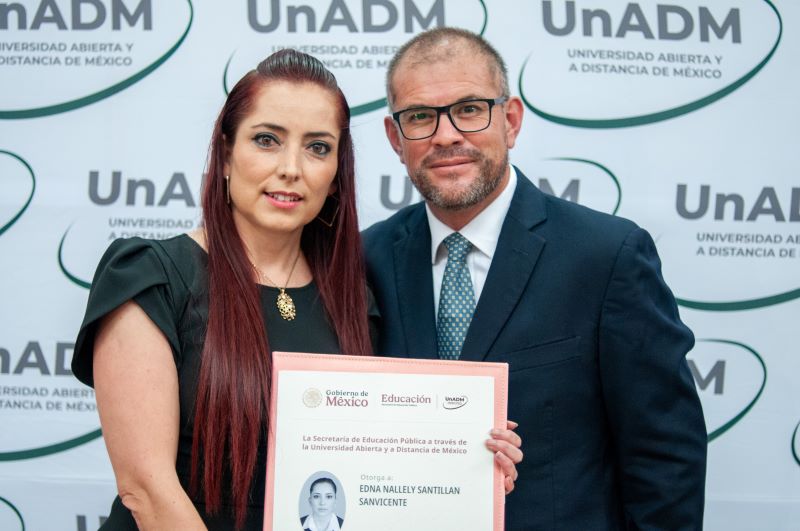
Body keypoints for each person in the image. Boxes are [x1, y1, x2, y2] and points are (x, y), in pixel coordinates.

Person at [72, 49, 521, 530]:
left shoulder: (354, 297)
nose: (291, 168)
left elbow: (371, 471)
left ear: (335, 178)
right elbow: (146, 489)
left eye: (317, 147)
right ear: (225, 155)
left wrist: (467, 469)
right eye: (266, 140)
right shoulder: (151, 275)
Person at [363, 27, 708, 530]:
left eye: (469, 109)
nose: (446, 135)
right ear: (396, 139)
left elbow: (665, 456)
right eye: (420, 117)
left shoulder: (606, 256)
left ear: (511, 121)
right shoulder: (365, 258)